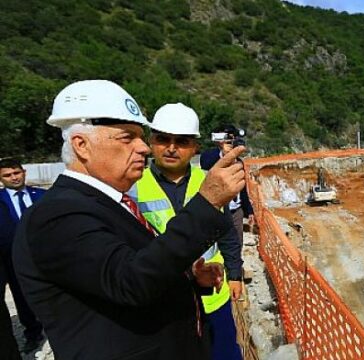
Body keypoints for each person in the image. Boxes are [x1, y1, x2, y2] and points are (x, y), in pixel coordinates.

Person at [12, 80, 246, 360]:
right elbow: (129, 282)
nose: (143, 148)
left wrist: (190, 279)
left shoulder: (108, 203)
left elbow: (123, 271)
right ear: (82, 145)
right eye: (127, 137)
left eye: (140, 136)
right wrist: (207, 203)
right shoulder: (58, 215)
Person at [129, 103, 243, 360]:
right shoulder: (133, 188)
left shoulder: (211, 181)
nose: (171, 147)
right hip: (163, 297)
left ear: (195, 147)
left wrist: (234, 274)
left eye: (181, 141)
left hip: (213, 296)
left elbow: (226, 234)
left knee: (224, 353)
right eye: (163, 139)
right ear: (151, 141)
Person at [0, 158, 45, 353]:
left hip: (44, 256)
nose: (14, 177)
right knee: (21, 296)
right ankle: (33, 333)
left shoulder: (43, 195)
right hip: (12, 258)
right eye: (8, 175)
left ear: (23, 172)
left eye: (16, 173)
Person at [200, 124, 254, 245]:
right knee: (215, 243)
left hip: (236, 211)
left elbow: (242, 188)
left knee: (236, 242)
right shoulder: (210, 155)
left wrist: (249, 211)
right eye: (226, 137)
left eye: (231, 137)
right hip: (217, 210)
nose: (229, 140)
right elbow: (205, 164)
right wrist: (223, 155)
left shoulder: (238, 162)